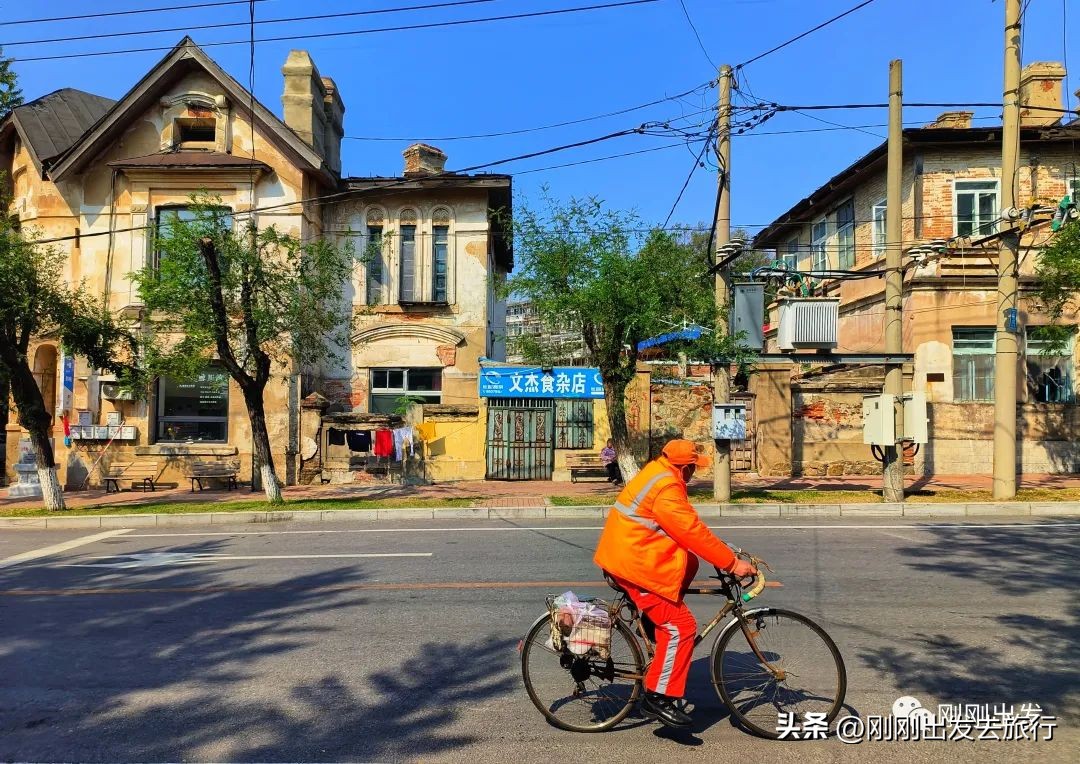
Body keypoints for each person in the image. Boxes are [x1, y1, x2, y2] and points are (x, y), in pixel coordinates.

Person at [593, 439, 757, 729]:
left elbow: (688, 528)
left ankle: (657, 624)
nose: (694, 473)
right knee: (681, 627)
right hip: (633, 563)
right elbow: (691, 531)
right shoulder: (667, 489)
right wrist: (732, 564)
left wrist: (723, 550)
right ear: (684, 468)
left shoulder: (658, 471)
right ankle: (658, 696)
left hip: (633, 551)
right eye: (693, 467)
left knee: (690, 562)